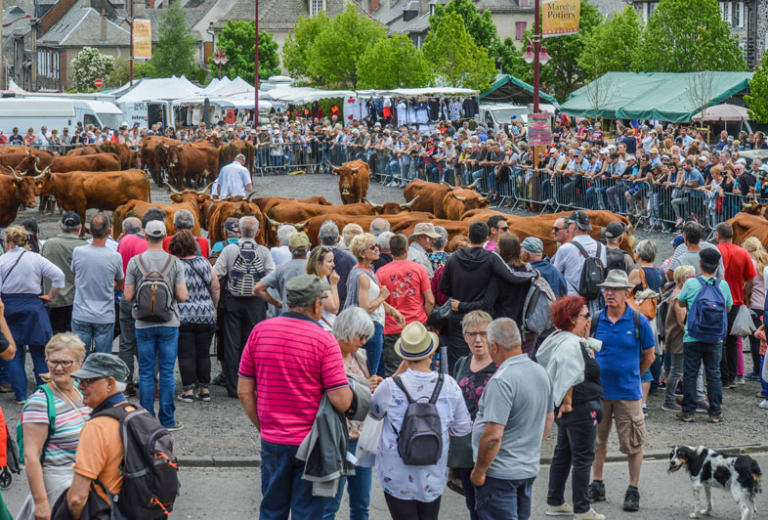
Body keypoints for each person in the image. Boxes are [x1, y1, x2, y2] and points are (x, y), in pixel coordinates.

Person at [238, 275, 353, 520]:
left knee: (271, 510)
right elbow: (341, 401)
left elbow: (244, 391)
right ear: (316, 305)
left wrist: (264, 426)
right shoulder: (324, 340)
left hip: (273, 440)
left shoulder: (260, 332)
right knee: (308, 513)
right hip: (312, 442)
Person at [369, 321, 471, 520]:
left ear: (403, 357)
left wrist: (396, 375)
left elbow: (374, 414)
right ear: (431, 355)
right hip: (433, 473)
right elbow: (463, 428)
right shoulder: (449, 385)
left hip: (396, 473)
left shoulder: (390, 386)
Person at [470, 318, 554, 520]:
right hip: (526, 467)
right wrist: (526, 446)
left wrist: (479, 471)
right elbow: (548, 419)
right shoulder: (540, 372)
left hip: (500, 473)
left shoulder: (502, 380)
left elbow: (492, 436)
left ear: (494, 346)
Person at [587, 270, 655, 512]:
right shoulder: (595, 319)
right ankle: (597, 483)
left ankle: (633, 489)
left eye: (614, 289)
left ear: (626, 292)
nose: (608, 293)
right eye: (606, 289)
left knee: (634, 444)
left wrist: (632, 374)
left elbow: (650, 356)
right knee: (597, 441)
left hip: (628, 393)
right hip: (600, 393)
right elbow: (588, 352)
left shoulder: (639, 321)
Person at [536, 296, 605, 520]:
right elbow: (569, 375)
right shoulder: (571, 345)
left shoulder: (561, 339)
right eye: (586, 316)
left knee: (563, 454)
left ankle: (555, 502)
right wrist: (567, 402)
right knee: (583, 458)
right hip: (581, 408)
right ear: (572, 319)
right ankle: (582, 509)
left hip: (573, 409)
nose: (589, 320)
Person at [441, 221, 535, 369]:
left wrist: (459, 296)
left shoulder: (453, 258)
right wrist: (532, 275)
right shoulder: (491, 258)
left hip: (458, 317)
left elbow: (444, 288)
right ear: (486, 238)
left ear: (468, 236)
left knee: (458, 364)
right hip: (483, 320)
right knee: (484, 361)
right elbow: (511, 276)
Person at [124, 220, 188, 431]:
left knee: (145, 372)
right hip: (169, 321)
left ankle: (146, 420)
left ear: (145, 234)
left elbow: (128, 295)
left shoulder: (135, 262)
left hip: (143, 323)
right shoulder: (174, 262)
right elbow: (182, 295)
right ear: (165, 235)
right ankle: (168, 420)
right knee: (168, 372)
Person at [17, 333, 89, 520]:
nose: (58, 367)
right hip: (57, 488)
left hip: (85, 484)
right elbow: (31, 456)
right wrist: (41, 503)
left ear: (80, 362)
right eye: (53, 362)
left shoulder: (83, 391)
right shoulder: (39, 402)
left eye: (66, 362)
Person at [324, 307, 380, 520]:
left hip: (361, 438)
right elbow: (335, 397)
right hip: (338, 438)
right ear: (346, 331)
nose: (364, 342)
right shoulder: (328, 354)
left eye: (367, 337)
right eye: (361, 336)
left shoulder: (359, 355)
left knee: (361, 503)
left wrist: (373, 387)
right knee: (330, 504)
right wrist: (366, 386)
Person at [0, 226, 65, 404]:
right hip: (34, 306)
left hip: (9, 308)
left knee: (14, 353)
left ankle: (21, 395)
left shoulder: (2, 260)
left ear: (10, 242)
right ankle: (44, 395)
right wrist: (51, 295)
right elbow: (59, 276)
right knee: (39, 351)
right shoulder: (36, 259)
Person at [213, 216, 274, 398]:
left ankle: (233, 387)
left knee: (232, 344)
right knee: (254, 344)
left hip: (233, 301)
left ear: (239, 230)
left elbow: (217, 272)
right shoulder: (263, 251)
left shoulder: (229, 250)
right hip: (256, 302)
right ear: (257, 231)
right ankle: (253, 386)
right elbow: (272, 274)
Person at [65, 354, 131, 519]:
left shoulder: (96, 427)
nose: (80, 387)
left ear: (110, 383)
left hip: (107, 511)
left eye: (88, 381)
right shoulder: (137, 413)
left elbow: (77, 498)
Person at [447, 311, 496, 520]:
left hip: (490, 448)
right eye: (472, 334)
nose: (478, 339)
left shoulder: (500, 366)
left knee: (490, 506)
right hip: (465, 450)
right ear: (464, 336)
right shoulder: (461, 363)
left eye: (483, 334)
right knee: (472, 504)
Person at [675, 248, 732, 423]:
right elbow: (728, 307)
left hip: (693, 335)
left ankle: (688, 412)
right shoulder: (723, 285)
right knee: (713, 373)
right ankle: (715, 412)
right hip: (715, 337)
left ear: (700, 263)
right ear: (717, 266)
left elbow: (681, 301)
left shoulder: (691, 284)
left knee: (691, 373)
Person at [169, 230, 220, 403]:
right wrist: (214, 307)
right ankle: (205, 389)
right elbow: (215, 287)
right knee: (204, 353)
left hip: (183, 315)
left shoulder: (174, 265)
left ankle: (189, 390)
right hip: (206, 313)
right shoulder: (204, 262)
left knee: (186, 354)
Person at [345, 233, 405, 376]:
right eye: (372, 248)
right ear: (362, 253)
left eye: (376, 246)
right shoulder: (363, 276)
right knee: (371, 371)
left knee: (375, 369)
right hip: (370, 327)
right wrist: (383, 297)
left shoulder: (366, 271)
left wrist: (393, 312)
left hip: (368, 325)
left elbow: (374, 300)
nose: (377, 250)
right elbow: (365, 307)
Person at [376, 234, 434, 377]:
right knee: (421, 368)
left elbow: (380, 302)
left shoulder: (381, 272)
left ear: (390, 250)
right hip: (416, 324)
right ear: (406, 249)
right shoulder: (419, 269)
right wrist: (424, 317)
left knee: (394, 373)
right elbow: (430, 300)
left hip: (392, 328)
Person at [70, 213, 124, 356]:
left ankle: (81, 379)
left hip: (81, 312)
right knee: (103, 358)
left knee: (80, 357)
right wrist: (109, 286)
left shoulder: (78, 251)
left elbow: (75, 275)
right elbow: (120, 283)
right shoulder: (115, 256)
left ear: (90, 230)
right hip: (105, 314)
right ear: (109, 231)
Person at [714, 222, 755, 388]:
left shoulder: (715, 251)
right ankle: (731, 377)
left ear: (718, 236)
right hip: (736, 301)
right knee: (732, 341)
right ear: (732, 235)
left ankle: (723, 377)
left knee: (719, 341)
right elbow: (750, 280)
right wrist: (744, 295)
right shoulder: (743, 252)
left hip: (717, 301)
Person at [41, 212, 88, 334]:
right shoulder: (85, 246)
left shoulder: (49, 244)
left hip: (53, 300)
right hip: (76, 301)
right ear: (80, 228)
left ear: (60, 226)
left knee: (56, 340)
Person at [552, 211, 607, 313]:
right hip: (597, 303)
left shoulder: (566, 249)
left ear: (574, 226)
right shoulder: (601, 247)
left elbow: (555, 276)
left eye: (568, 225)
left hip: (574, 304)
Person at [255, 232, 311, 310]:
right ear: (308, 247)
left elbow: (258, 288)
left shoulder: (281, 269)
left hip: (287, 316)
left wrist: (276, 303)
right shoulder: (315, 269)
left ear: (289, 248)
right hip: (309, 318)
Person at [319, 220, 357, 305]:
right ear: (339, 239)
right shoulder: (350, 259)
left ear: (319, 239)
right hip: (343, 307)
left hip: (317, 307)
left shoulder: (310, 257)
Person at [305, 246, 341, 332]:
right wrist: (334, 284)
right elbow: (334, 309)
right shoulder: (319, 282)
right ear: (318, 263)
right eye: (329, 261)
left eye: (333, 261)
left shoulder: (310, 279)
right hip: (324, 329)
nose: (333, 265)